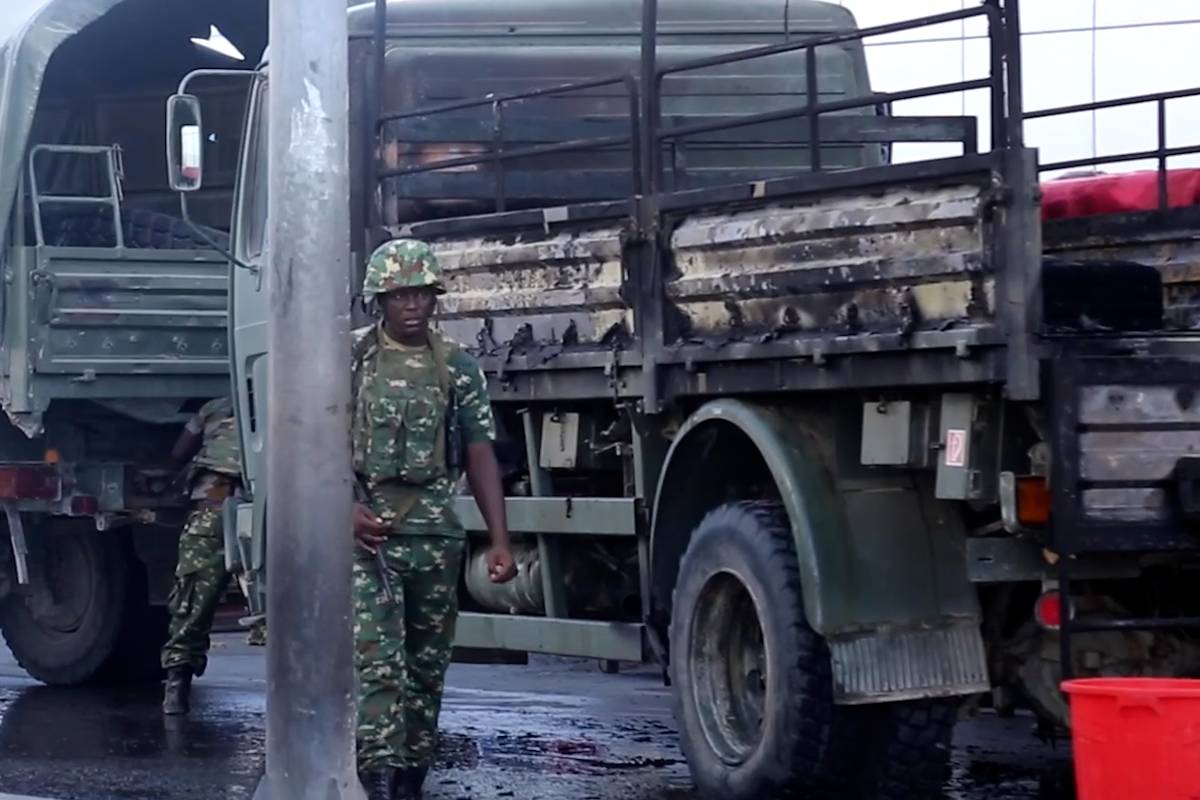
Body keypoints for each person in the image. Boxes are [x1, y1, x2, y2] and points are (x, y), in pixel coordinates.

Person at [352, 239, 516, 800]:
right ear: (380, 299)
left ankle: (409, 779)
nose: (412, 305)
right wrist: (343, 509)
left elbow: (478, 451)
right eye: (400, 295)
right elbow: (314, 443)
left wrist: (499, 541)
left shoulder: (457, 367)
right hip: (368, 538)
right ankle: (375, 777)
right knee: (381, 666)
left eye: (421, 293)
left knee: (427, 670)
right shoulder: (351, 362)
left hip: (435, 537)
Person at [160, 396, 242, 715]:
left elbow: (179, 453)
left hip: (213, 510)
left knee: (193, 600)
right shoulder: (294, 401)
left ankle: (176, 684)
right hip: (270, 510)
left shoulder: (215, 407)